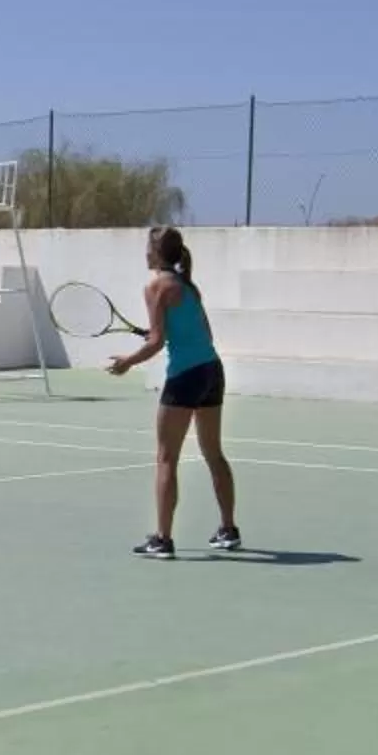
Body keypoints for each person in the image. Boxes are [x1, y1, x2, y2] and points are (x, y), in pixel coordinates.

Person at [104, 226, 241, 558]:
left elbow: (156, 342)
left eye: (147, 248)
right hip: (211, 371)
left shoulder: (155, 286)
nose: (144, 253)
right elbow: (203, 333)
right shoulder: (188, 287)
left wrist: (127, 362)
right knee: (213, 453)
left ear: (156, 252)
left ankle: (163, 539)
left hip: (185, 376)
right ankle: (228, 528)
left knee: (166, 458)